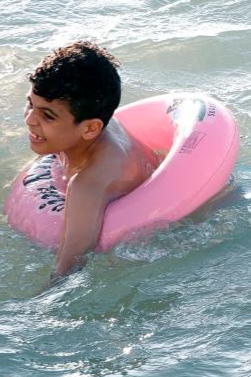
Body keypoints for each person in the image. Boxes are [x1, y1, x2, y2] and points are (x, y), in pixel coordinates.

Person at [23, 41, 159, 281]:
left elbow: (69, 268)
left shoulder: (87, 185)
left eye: (47, 115)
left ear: (90, 128)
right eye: (30, 104)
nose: (29, 120)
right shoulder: (101, 126)